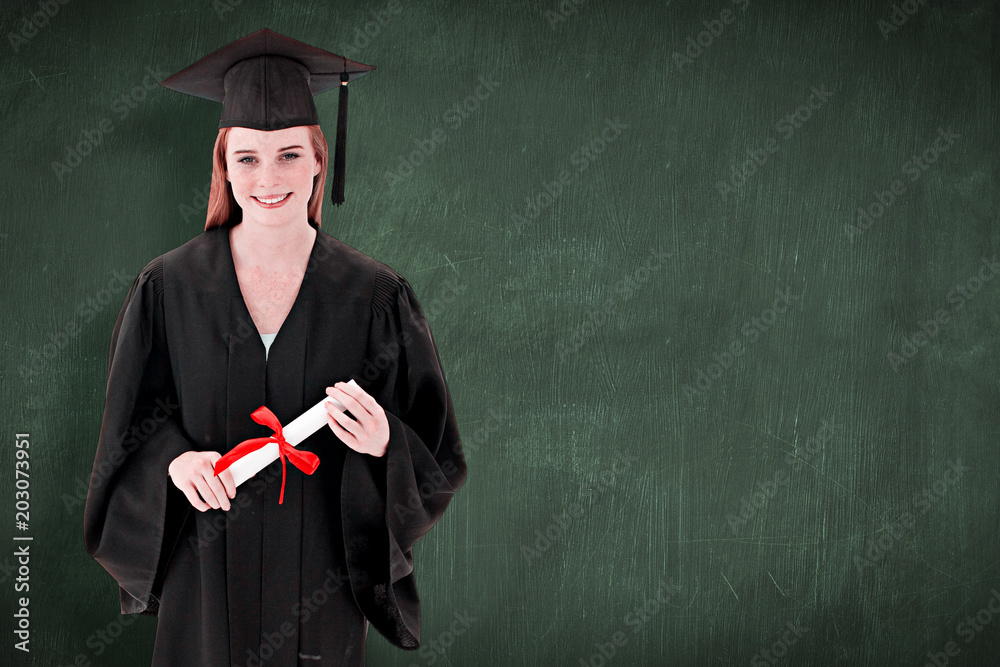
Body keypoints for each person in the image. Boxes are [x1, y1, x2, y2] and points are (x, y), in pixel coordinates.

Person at [83, 28, 467, 667]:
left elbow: (436, 451)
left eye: (289, 155)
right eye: (248, 159)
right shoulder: (168, 289)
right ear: (223, 165)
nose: (269, 178)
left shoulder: (375, 295)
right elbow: (128, 431)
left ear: (320, 158)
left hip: (320, 579)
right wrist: (175, 464)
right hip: (202, 571)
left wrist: (383, 442)